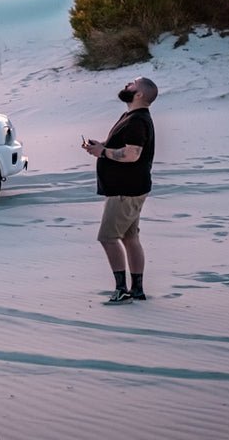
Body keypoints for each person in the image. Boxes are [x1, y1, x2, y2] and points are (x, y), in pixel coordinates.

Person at [81, 77, 157, 304]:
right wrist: (101, 146)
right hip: (131, 189)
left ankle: (122, 290)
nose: (127, 85)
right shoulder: (130, 117)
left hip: (125, 191)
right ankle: (137, 290)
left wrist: (103, 153)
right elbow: (122, 145)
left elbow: (133, 154)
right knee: (129, 237)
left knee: (108, 238)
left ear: (140, 94)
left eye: (132, 84)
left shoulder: (137, 120)